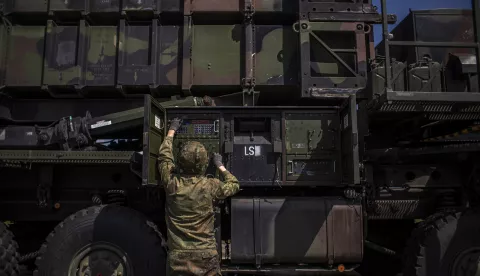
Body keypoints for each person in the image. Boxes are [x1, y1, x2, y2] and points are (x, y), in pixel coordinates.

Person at [158, 118, 240, 276]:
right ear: (204, 164)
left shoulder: (171, 183)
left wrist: (172, 130)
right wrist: (220, 165)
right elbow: (234, 184)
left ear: (180, 162)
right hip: (205, 255)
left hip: (178, 257)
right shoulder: (211, 186)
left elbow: (164, 157)